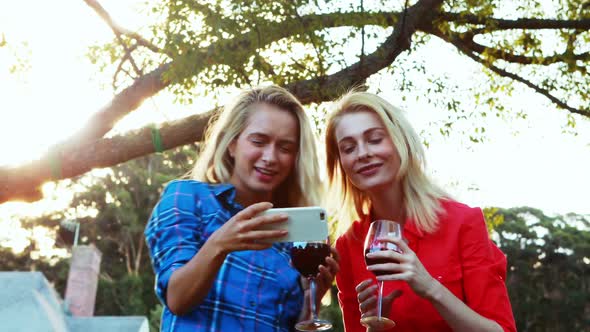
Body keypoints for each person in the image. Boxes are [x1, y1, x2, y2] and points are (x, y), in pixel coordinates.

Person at [145, 85, 339, 331]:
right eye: (259, 141)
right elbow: (177, 299)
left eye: (285, 148)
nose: (270, 157)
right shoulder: (188, 197)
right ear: (232, 143)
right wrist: (219, 244)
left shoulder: (295, 236)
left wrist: (311, 302)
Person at [324, 90, 516, 331]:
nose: (363, 153)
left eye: (374, 139)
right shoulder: (348, 245)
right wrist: (374, 326)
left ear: (401, 142)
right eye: (349, 148)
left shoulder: (462, 222)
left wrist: (430, 287)